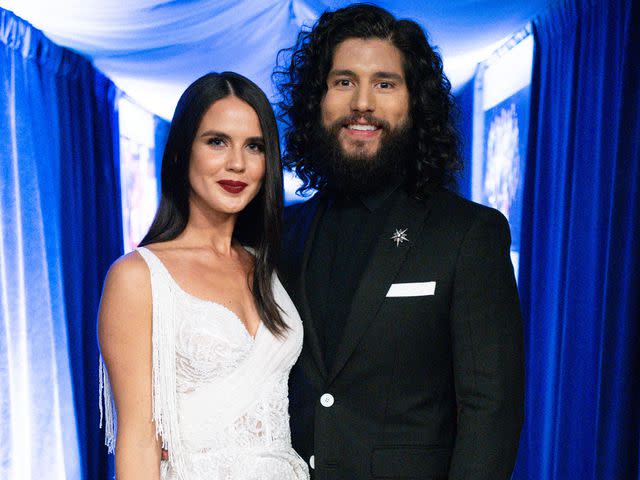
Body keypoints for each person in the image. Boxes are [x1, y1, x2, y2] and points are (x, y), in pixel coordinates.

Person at [274, 4, 524, 479]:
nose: (362, 102)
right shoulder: (281, 233)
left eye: (385, 83)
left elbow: (490, 413)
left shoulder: (468, 234)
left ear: (415, 102)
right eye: (343, 81)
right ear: (317, 100)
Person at [98, 72, 309, 480]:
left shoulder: (264, 266)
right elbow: (139, 442)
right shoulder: (138, 276)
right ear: (180, 153)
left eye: (255, 146)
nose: (237, 163)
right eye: (217, 142)